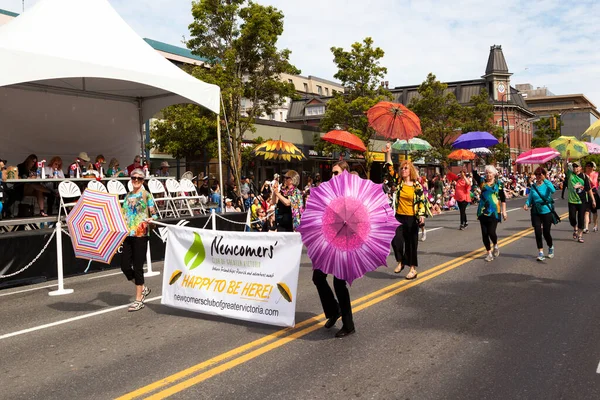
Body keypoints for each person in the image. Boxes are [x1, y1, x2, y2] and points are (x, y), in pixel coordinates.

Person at [312, 160, 355, 338]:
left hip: (344, 242)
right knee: (318, 277)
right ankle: (333, 310)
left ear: (345, 173)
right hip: (328, 239)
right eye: (332, 173)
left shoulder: (352, 192)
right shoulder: (329, 190)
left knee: (339, 283)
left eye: (336, 173)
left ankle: (348, 324)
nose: (332, 176)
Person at [384, 144, 431, 279]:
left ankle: (412, 269)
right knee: (396, 239)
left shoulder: (417, 186)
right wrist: (389, 153)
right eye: (402, 168)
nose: (403, 170)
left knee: (411, 243)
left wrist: (421, 215)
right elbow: (389, 168)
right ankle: (400, 261)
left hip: (412, 217)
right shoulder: (399, 182)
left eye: (406, 168)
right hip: (399, 216)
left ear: (410, 171)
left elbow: (422, 201)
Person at [121, 169, 158, 312]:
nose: (136, 180)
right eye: (133, 178)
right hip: (128, 234)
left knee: (137, 267)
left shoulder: (146, 195)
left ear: (143, 181)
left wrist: (150, 219)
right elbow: (124, 214)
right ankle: (143, 288)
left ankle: (139, 299)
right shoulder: (127, 196)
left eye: (139, 179)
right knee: (124, 266)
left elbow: (154, 215)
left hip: (141, 234)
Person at [473, 165, 507, 262]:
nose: (488, 174)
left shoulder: (499, 184)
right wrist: (474, 167)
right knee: (484, 233)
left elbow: (503, 199)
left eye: (490, 173)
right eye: (486, 173)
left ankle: (495, 245)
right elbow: (475, 175)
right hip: (482, 211)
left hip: (494, 211)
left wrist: (504, 212)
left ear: (494, 174)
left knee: (491, 232)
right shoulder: (482, 182)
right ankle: (489, 253)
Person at [523, 167, 556, 261]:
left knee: (546, 232)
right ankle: (540, 252)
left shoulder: (547, 184)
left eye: (540, 174)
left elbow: (553, 190)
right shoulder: (533, 186)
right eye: (536, 174)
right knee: (537, 231)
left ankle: (550, 246)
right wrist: (526, 204)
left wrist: (545, 179)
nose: (538, 176)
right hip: (536, 211)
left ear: (544, 175)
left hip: (546, 210)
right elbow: (530, 197)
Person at [564, 160, 595, 243]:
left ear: (581, 168)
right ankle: (575, 228)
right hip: (572, 200)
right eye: (574, 166)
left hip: (582, 201)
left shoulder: (584, 177)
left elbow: (589, 189)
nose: (575, 168)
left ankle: (580, 236)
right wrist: (565, 158)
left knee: (581, 219)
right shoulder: (570, 174)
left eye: (577, 166)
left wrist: (593, 200)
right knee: (572, 218)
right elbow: (565, 167)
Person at [584, 161, 599, 233]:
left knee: (594, 211)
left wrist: (589, 178)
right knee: (586, 211)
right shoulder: (583, 174)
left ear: (593, 168)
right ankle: (586, 228)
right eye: (587, 167)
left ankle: (595, 225)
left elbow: (594, 184)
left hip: (593, 193)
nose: (588, 169)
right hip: (586, 193)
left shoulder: (595, 174)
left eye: (590, 167)